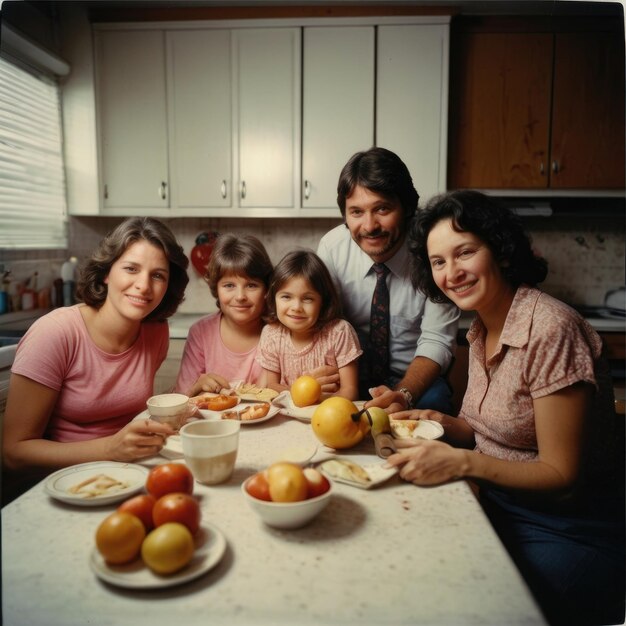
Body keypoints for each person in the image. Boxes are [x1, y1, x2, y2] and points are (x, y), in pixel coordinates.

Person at [386, 190, 625, 626]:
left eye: (465, 253)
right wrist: (443, 423)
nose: (452, 272)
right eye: (439, 262)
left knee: (472, 603)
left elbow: (561, 475)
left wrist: (462, 462)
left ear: (498, 249)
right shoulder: (481, 327)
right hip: (501, 502)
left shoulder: (550, 329)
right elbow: (491, 432)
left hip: (568, 528)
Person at [2, 217, 189, 500]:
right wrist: (109, 449)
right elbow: (13, 453)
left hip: (129, 476)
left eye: (158, 275)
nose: (143, 285)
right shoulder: (55, 333)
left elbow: (126, 414)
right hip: (59, 488)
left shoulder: (156, 332)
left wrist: (185, 403)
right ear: (106, 273)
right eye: (131, 269)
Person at [317, 147, 459, 411]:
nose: (370, 226)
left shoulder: (433, 250)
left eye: (382, 209)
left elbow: (437, 340)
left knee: (434, 403)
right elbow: (319, 324)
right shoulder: (332, 249)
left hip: (413, 377)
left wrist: (403, 394)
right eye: (357, 212)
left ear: (406, 207)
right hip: (350, 374)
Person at [175, 234, 273, 397]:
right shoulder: (200, 333)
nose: (240, 296)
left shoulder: (279, 333)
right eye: (229, 285)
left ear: (266, 289)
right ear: (216, 289)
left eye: (251, 285)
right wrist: (197, 387)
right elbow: (182, 398)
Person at [257, 249, 362, 400]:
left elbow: (350, 390)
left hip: (330, 413)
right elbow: (271, 386)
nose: (296, 307)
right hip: (288, 413)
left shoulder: (339, 332)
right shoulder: (271, 334)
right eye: (286, 297)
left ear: (323, 301)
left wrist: (318, 399)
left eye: (307, 299)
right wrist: (304, 392)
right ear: (273, 298)